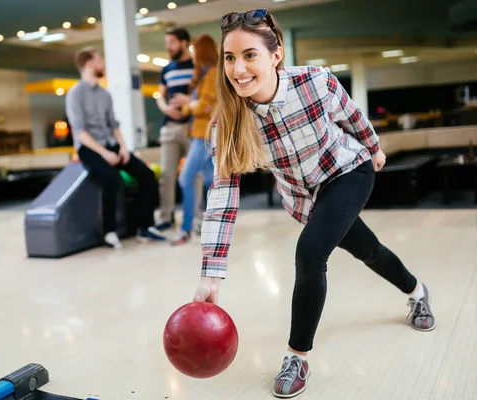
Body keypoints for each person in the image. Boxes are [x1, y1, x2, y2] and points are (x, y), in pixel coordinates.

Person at [192, 9, 436, 398]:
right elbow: (222, 197)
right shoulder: (229, 123)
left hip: (348, 171)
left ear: (275, 56)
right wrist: (211, 273)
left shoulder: (314, 82)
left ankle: (297, 356)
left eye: (249, 55)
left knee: (309, 253)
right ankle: (418, 292)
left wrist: (373, 148)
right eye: (230, 57)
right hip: (306, 199)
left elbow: (352, 116)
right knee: (368, 250)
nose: (238, 69)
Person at [65, 48, 166, 248]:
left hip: (111, 144)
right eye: (99, 60)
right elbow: (80, 132)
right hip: (89, 148)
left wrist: (122, 148)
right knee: (111, 180)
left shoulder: (105, 94)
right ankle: (109, 231)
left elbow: (113, 125)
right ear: (89, 64)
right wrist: (104, 154)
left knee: (146, 175)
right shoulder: (74, 94)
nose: (103, 64)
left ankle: (145, 226)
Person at [167, 34, 218, 245]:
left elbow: (205, 107)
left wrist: (188, 104)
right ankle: (213, 227)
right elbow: (200, 104)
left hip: (204, 135)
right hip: (200, 133)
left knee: (185, 178)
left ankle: (186, 229)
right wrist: (192, 103)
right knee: (209, 182)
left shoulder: (214, 73)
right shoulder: (206, 75)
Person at [155, 27, 195, 231]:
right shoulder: (166, 69)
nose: (168, 47)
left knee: (193, 175)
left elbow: (207, 96)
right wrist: (166, 108)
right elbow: (160, 96)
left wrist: (188, 101)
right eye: (166, 43)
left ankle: (195, 218)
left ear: (183, 42)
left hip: (192, 128)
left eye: (171, 42)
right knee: (166, 175)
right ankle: (165, 217)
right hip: (170, 127)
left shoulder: (198, 66)